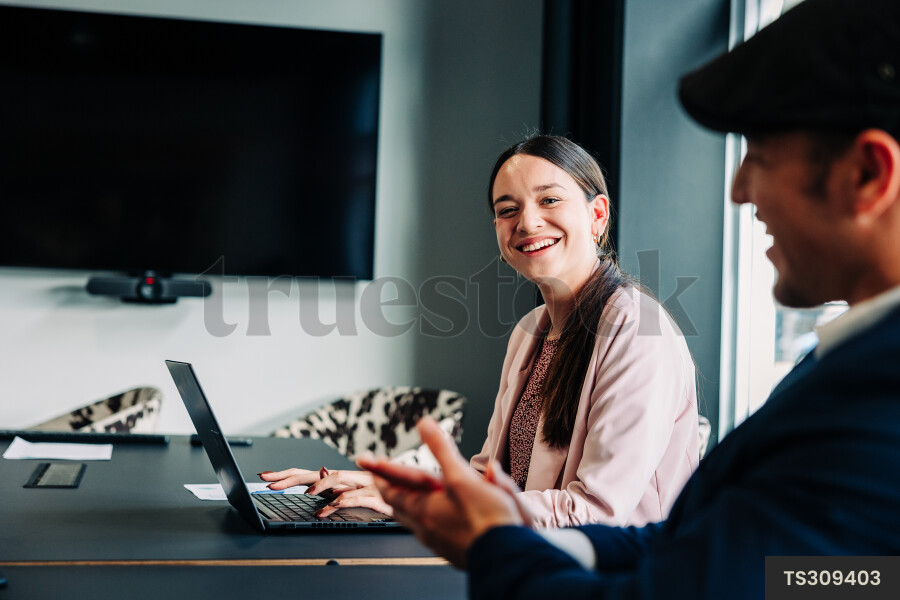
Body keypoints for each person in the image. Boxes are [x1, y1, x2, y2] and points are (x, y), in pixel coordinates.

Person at [359, 0, 900, 597]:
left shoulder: (871, 393)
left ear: (869, 176)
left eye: (761, 158)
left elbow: (775, 577)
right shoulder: (840, 366)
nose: (740, 191)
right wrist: (417, 495)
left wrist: (498, 543)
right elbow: (721, 553)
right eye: (505, 210)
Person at [261, 134, 700, 527]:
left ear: (597, 215)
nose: (527, 223)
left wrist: (417, 504)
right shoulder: (531, 330)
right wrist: (379, 483)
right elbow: (487, 477)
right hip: (532, 561)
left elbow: (597, 512)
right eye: (508, 210)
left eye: (549, 200)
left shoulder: (637, 330)